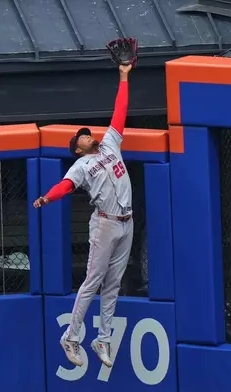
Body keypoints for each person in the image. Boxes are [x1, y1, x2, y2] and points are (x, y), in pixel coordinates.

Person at [33, 63, 133, 368]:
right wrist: (48, 197)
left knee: (113, 284)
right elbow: (65, 185)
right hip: (104, 223)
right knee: (93, 281)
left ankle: (103, 338)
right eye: (83, 137)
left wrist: (124, 75)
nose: (89, 136)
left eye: (88, 134)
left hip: (127, 222)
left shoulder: (111, 144)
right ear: (77, 149)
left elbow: (120, 110)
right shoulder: (80, 165)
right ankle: (71, 337)